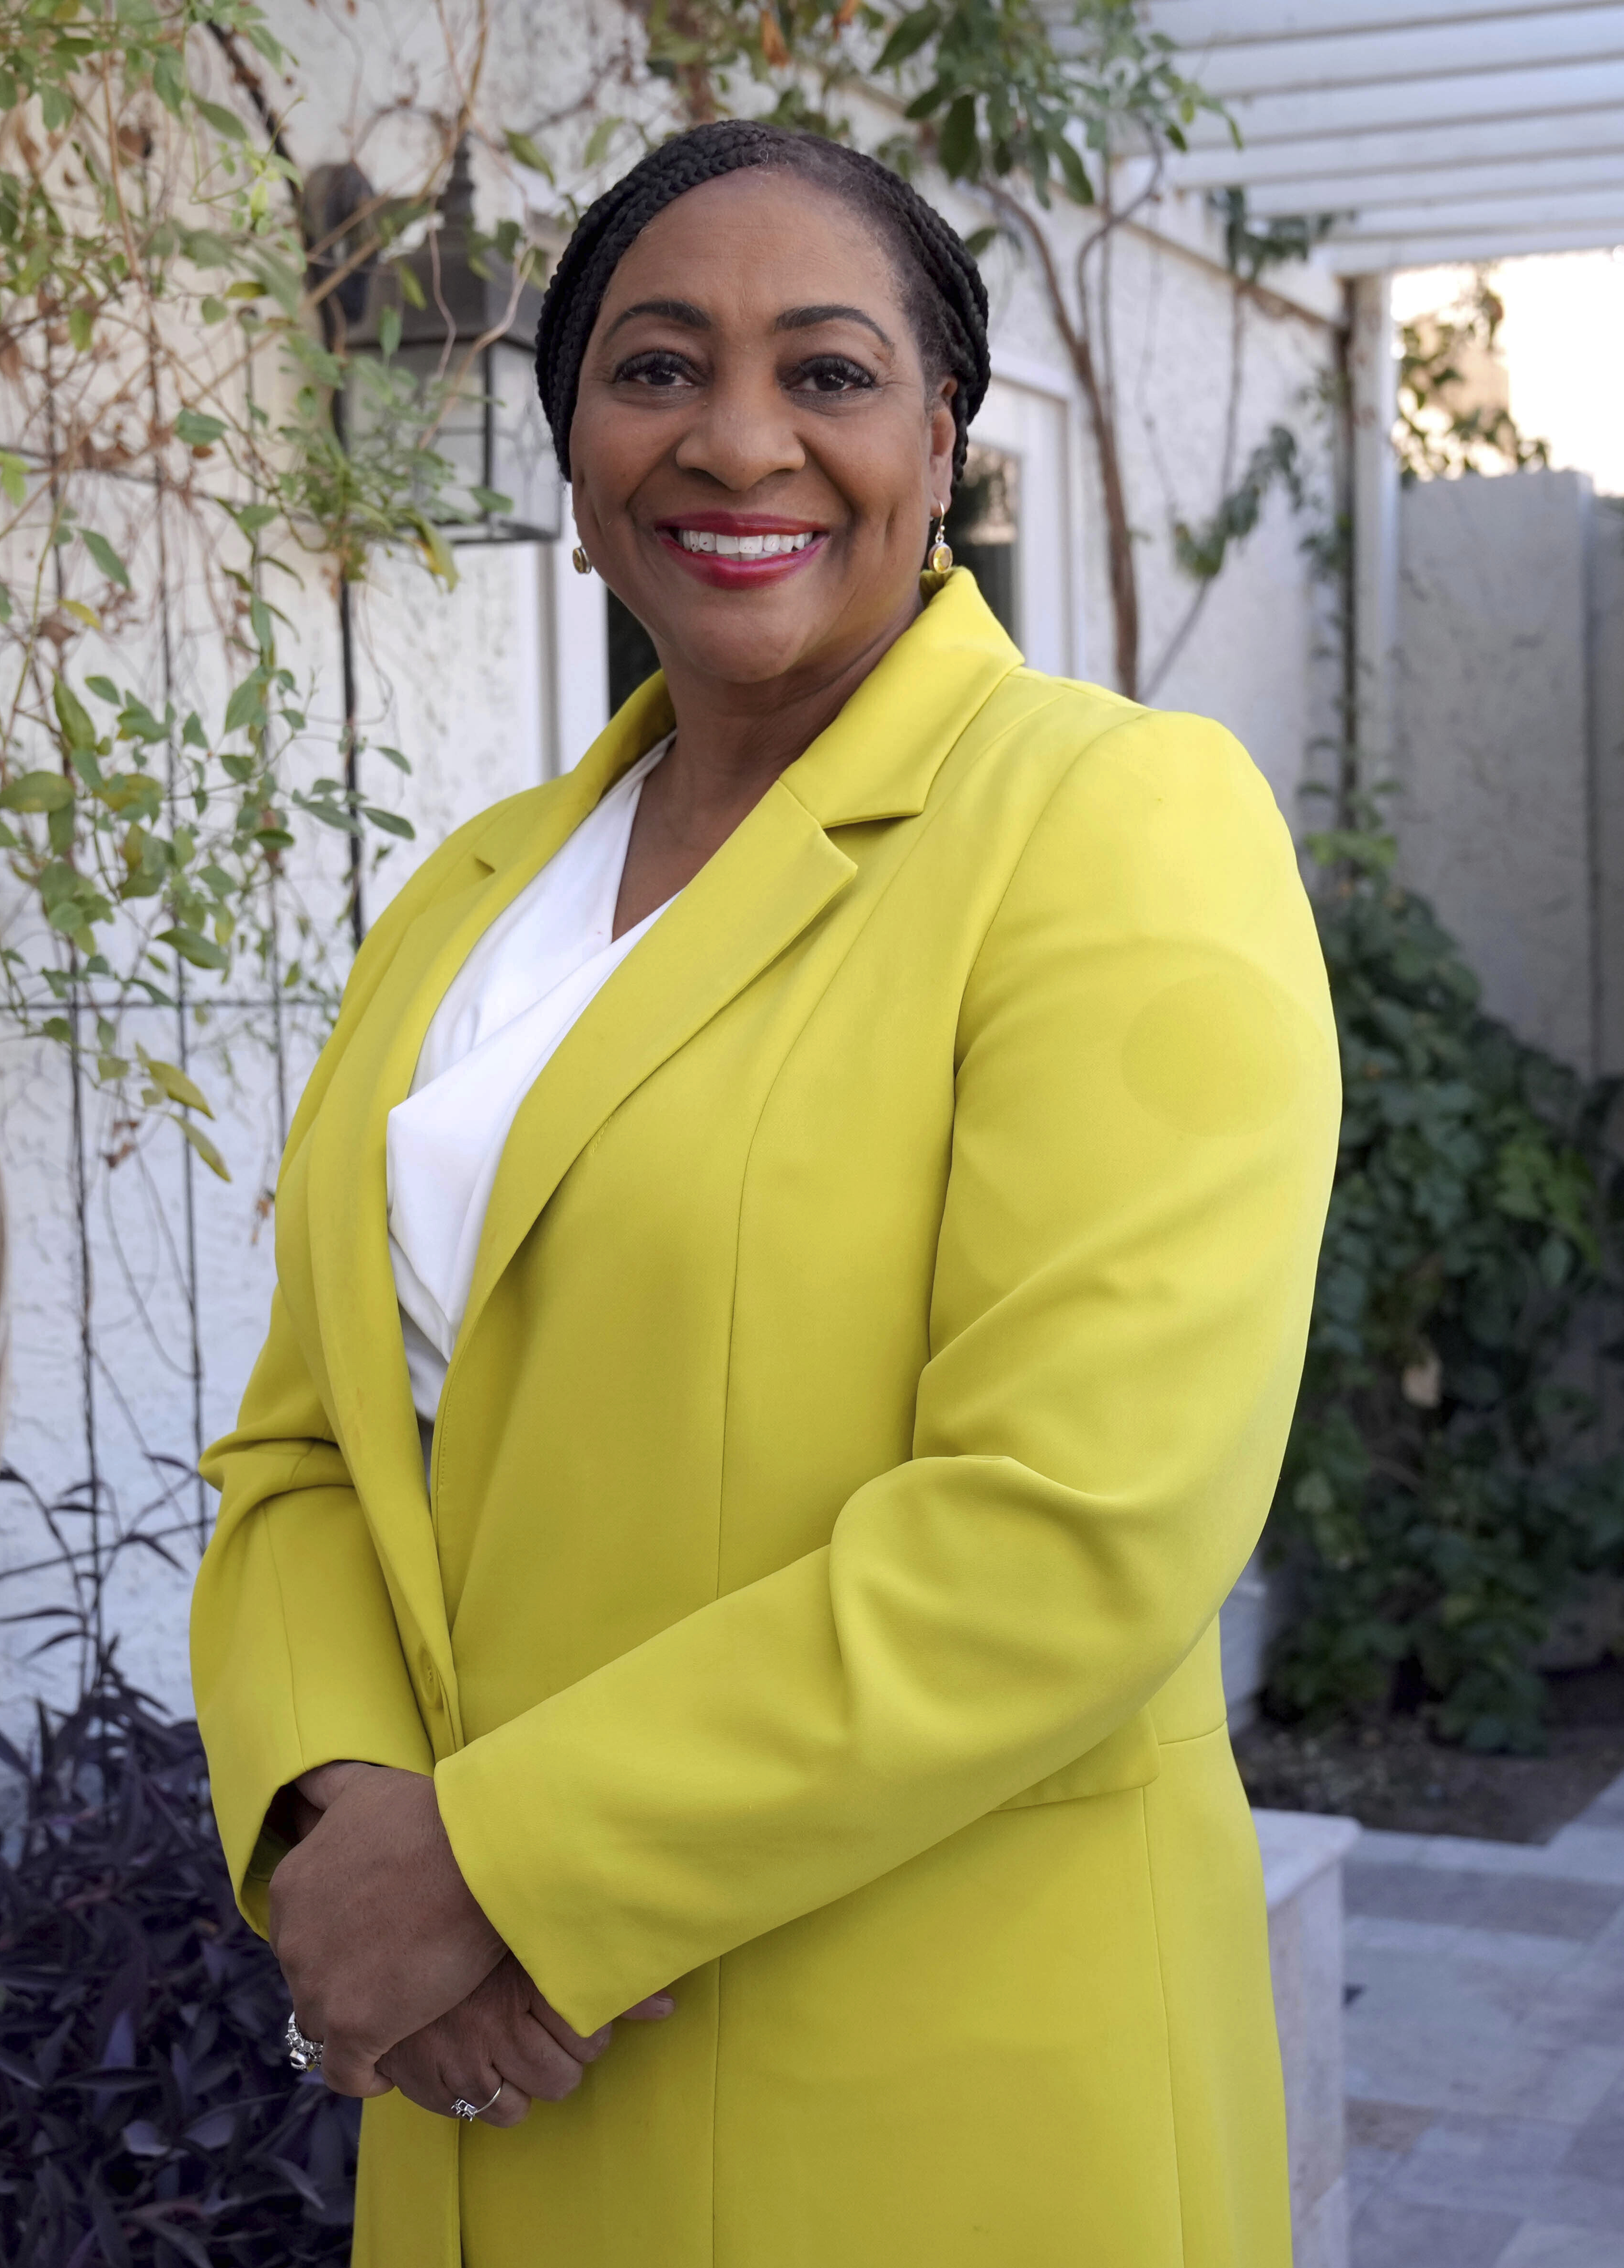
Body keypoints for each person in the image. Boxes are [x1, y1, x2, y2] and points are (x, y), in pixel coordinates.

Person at [191, 117, 1339, 2267]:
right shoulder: (462, 904)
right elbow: (303, 1453)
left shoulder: (1105, 822)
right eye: (652, 370)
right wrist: (336, 1818)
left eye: (825, 373)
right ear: (570, 459)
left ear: (942, 442)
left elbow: (1077, 1522)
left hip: (924, 2095)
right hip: (489, 2092)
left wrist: (499, 1862)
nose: (739, 441)